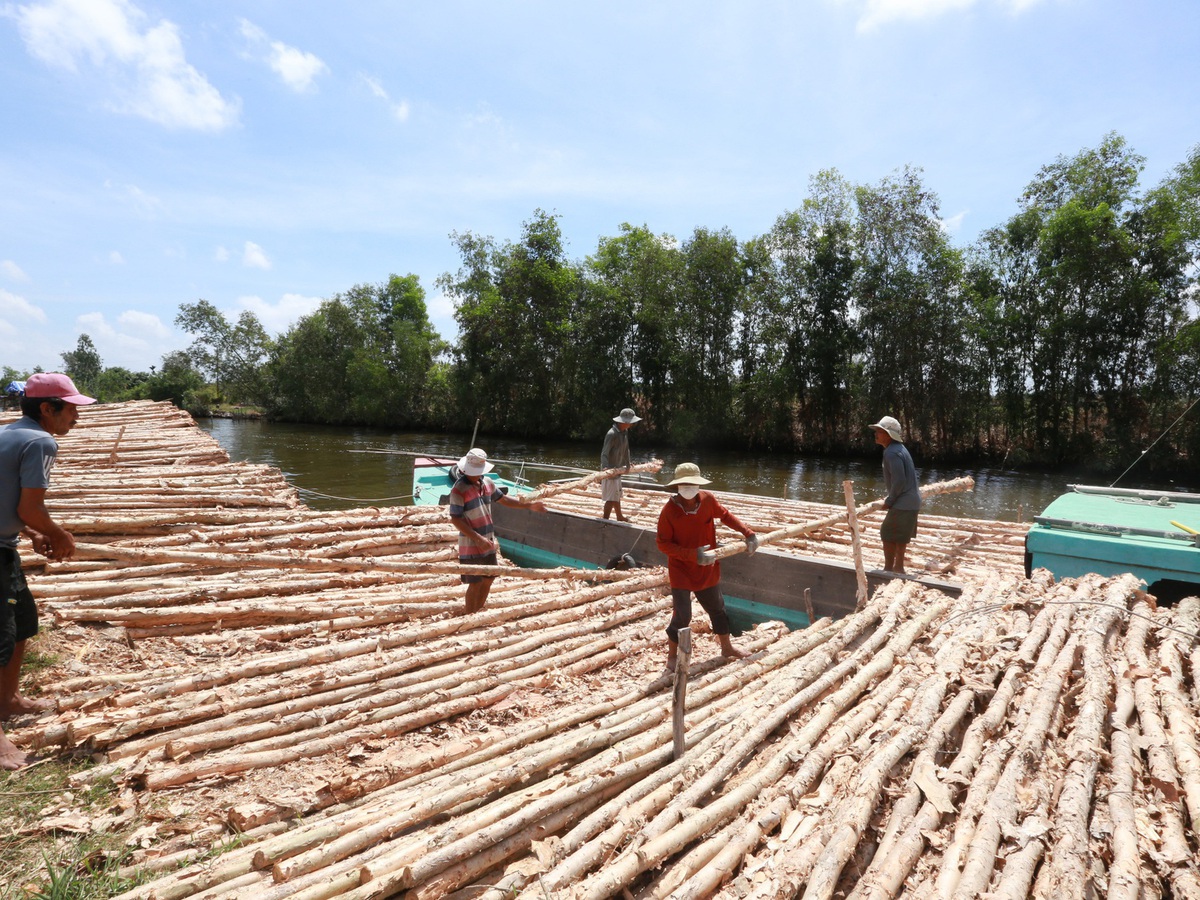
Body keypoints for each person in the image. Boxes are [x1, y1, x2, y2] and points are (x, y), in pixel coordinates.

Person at [1, 373, 95, 770]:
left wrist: (24, 532)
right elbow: (30, 507)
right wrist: (58, 534)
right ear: (47, 408)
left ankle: (7, 700)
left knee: (22, 622)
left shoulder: (10, 433)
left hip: (4, 546)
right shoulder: (41, 441)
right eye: (70, 408)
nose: (76, 416)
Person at [656, 462, 759, 670]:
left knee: (718, 609)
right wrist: (693, 555)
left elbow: (725, 515)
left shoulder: (707, 500)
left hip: (707, 567)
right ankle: (672, 656)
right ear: (677, 486)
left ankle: (727, 647)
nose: (688, 488)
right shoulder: (669, 511)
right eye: (684, 484)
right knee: (683, 615)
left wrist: (748, 533)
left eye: (692, 484)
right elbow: (663, 544)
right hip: (681, 569)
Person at [448, 448, 547, 615]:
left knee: (489, 578)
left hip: (488, 539)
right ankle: (469, 615)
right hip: (471, 543)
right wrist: (477, 538)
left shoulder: (487, 483)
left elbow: (503, 500)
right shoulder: (459, 490)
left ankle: (477, 612)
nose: (475, 475)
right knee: (475, 582)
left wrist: (528, 505)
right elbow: (456, 519)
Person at [869, 415, 922, 574]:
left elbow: (899, 481)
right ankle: (898, 568)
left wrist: (889, 501)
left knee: (887, 533)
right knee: (899, 535)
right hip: (911, 501)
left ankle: (889, 569)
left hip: (903, 501)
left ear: (888, 434)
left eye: (879, 431)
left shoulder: (891, 452)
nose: (876, 434)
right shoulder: (900, 449)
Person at [600, 408, 641, 521]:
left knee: (616, 495)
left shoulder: (624, 432)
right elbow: (604, 453)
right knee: (611, 498)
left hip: (618, 469)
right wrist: (605, 468)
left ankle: (619, 516)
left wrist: (627, 463)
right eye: (630, 422)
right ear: (624, 422)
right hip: (610, 471)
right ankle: (605, 519)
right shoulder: (611, 434)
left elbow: (626, 449)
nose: (631, 424)